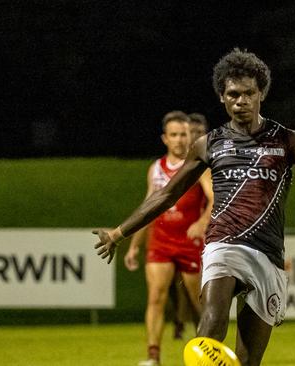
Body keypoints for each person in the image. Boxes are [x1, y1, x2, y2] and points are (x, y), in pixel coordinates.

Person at [93, 48, 295, 366]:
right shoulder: (208, 144)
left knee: (248, 359)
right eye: (233, 94)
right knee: (210, 324)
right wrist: (119, 232)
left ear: (261, 93)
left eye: (249, 93)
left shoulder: (287, 140)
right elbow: (166, 194)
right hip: (223, 245)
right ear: (222, 98)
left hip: (268, 255)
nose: (241, 101)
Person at [123, 110, 214, 366]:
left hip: (190, 242)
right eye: (174, 135)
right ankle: (153, 357)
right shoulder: (156, 169)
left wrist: (202, 222)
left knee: (199, 304)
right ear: (165, 138)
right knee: (156, 296)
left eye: (184, 134)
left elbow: (214, 200)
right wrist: (133, 246)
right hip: (161, 241)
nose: (180, 140)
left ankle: (206, 351)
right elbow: (148, 207)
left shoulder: (198, 166)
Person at [168, 112, 211, 340]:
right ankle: (181, 319)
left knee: (198, 288)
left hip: (210, 232)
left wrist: (203, 220)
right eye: (189, 133)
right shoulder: (186, 162)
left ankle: (203, 334)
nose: (192, 137)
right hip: (181, 232)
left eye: (197, 132)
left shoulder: (210, 159)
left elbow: (215, 197)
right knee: (178, 284)